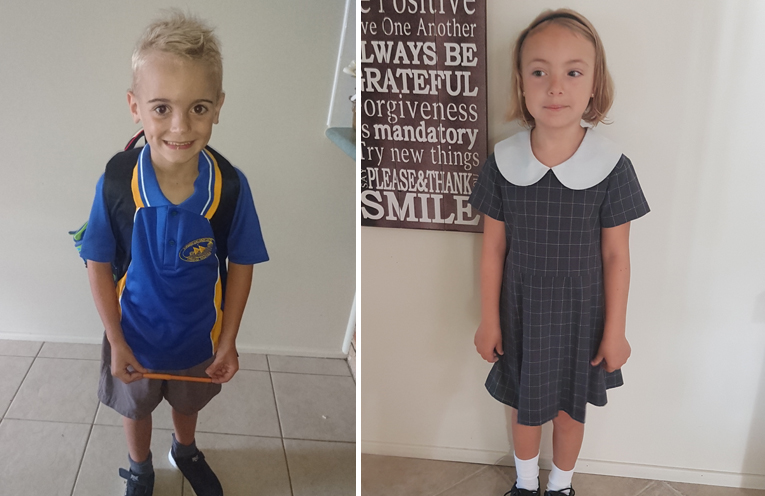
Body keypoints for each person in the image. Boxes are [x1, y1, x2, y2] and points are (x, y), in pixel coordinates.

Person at [80, 10, 268, 496]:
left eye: (199, 108)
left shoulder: (230, 188)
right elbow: (97, 264)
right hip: (134, 337)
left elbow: (242, 266)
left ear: (219, 106)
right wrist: (115, 340)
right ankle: (139, 466)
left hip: (198, 339)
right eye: (161, 107)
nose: (180, 126)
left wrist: (228, 340)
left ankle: (185, 451)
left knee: (188, 405)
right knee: (135, 409)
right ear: (134, 106)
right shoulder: (117, 183)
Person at [469, 9, 649, 496]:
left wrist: (616, 332)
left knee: (571, 411)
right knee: (524, 407)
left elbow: (617, 257)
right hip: (520, 313)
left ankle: (561, 487)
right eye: (539, 71)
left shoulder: (612, 167)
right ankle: (526, 485)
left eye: (573, 72)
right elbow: (492, 252)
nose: (555, 86)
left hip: (582, 319)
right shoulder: (502, 162)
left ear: (594, 85)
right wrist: (489, 320)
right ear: (521, 83)